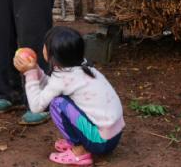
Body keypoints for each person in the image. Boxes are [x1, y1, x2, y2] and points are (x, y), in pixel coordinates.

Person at [14, 26, 124, 166]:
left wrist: (29, 73)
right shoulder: (83, 67)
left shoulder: (62, 79)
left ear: (53, 55)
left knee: (58, 104)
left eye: (45, 46)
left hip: (100, 141)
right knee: (62, 100)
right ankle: (81, 141)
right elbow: (52, 87)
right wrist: (35, 70)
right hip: (112, 136)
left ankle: (80, 153)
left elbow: (36, 107)